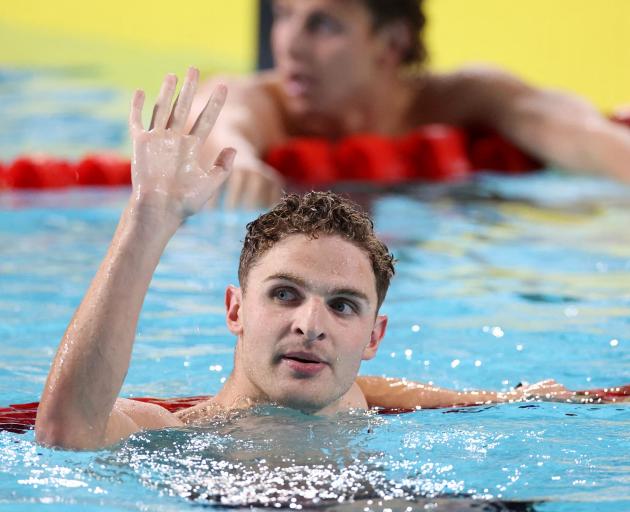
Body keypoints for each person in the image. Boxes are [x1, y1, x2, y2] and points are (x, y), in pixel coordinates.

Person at [35, 69, 579, 451]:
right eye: (284, 293)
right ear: (235, 310)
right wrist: (148, 216)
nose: (310, 326)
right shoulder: (175, 435)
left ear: (372, 337)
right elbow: (66, 431)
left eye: (343, 306)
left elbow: (385, 389)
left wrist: (509, 400)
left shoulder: (357, 397)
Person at [190, 0, 630, 208]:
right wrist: (241, 164)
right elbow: (217, 121)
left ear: (392, 42)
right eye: (284, 16)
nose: (290, 46)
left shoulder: (459, 98)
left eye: (323, 24)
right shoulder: (266, 102)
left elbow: (581, 134)